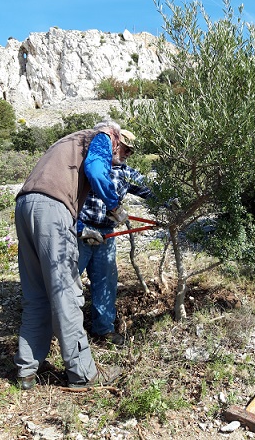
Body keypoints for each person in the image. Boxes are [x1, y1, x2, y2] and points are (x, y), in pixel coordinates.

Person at [14, 120, 128, 392]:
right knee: (67, 294)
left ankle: (26, 371)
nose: (119, 156)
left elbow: (50, 200)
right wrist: (114, 205)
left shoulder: (66, 142)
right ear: (114, 135)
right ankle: (82, 374)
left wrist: (80, 228)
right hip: (51, 210)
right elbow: (95, 170)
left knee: (37, 294)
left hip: (25, 206)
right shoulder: (101, 136)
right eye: (120, 148)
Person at [77, 129, 152, 346]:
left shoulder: (126, 173)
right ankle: (56, 331)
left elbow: (151, 189)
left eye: (132, 150)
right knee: (67, 282)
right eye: (126, 148)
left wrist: (172, 200)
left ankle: (103, 330)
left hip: (106, 236)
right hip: (80, 232)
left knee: (106, 283)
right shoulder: (90, 165)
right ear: (115, 144)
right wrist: (79, 227)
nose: (128, 153)